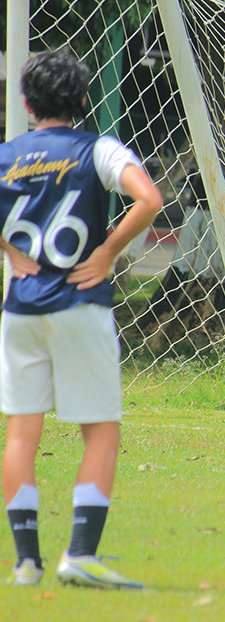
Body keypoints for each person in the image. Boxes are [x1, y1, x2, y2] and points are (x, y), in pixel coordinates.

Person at [1, 48, 163, 588]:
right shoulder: (99, 148)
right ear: (83, 100)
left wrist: (10, 252)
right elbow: (149, 199)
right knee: (100, 433)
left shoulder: (8, 155)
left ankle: (26, 562)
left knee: (21, 435)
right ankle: (80, 554)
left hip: (21, 309)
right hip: (79, 304)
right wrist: (108, 252)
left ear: (27, 104)